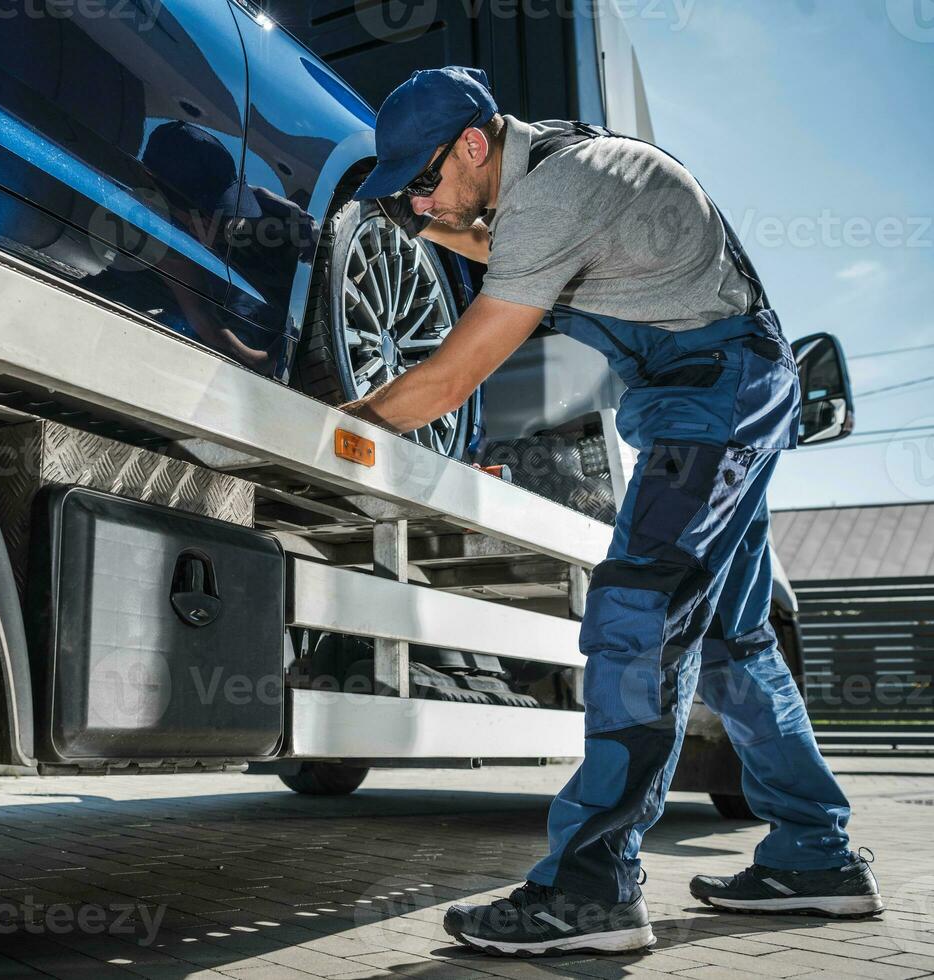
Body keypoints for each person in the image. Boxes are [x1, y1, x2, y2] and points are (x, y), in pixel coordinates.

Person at [344, 66, 881, 957]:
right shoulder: (554, 165)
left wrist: (337, 424)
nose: (419, 198)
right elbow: (518, 254)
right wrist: (437, 220)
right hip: (729, 388)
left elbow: (448, 379)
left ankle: (592, 888)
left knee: (636, 611)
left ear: (473, 145)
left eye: (424, 180)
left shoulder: (560, 191)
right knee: (732, 640)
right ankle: (816, 856)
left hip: (709, 401)